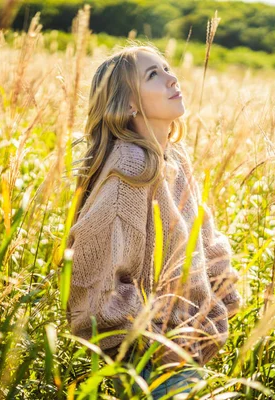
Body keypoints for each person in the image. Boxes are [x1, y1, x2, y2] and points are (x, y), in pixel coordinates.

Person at [65, 43, 243, 398]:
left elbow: (206, 241)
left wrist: (217, 304)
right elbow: (95, 281)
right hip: (151, 367)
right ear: (130, 103)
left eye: (165, 67)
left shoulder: (171, 158)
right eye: (153, 75)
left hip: (185, 355)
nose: (171, 78)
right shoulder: (132, 168)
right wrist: (153, 343)